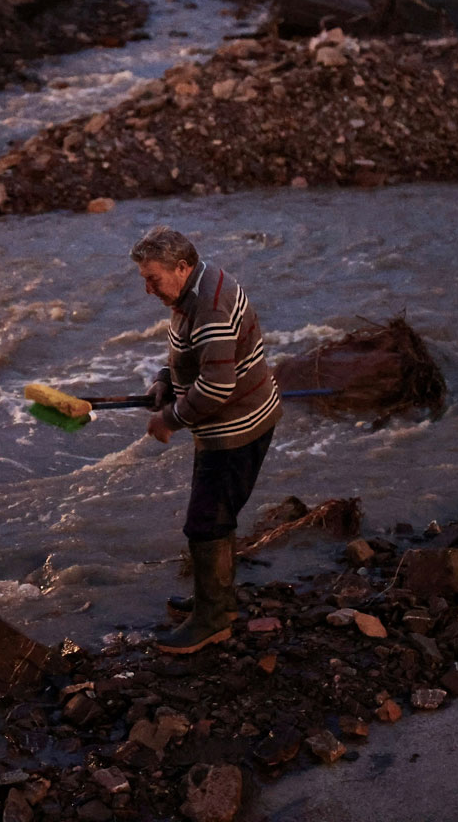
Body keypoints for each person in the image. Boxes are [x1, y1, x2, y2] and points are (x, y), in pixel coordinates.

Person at [131, 225, 280, 654]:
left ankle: (214, 619)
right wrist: (166, 379)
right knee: (216, 515)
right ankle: (217, 601)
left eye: (152, 278)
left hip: (235, 428)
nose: (147, 289)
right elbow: (192, 353)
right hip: (232, 419)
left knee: (206, 522)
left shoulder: (210, 307)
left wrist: (170, 419)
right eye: (144, 278)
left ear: (182, 266)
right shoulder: (193, 287)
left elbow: (216, 387)